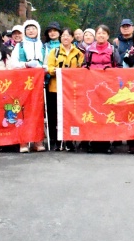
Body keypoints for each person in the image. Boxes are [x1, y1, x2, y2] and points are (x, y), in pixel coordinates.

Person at [83, 25, 121, 154]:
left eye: (104, 33)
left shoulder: (112, 49)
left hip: (107, 86)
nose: (101, 35)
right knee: (93, 113)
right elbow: (84, 65)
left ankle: (106, 143)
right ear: (95, 35)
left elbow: (119, 67)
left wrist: (110, 71)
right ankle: (93, 142)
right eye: (99, 33)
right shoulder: (89, 50)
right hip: (92, 86)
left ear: (108, 36)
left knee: (106, 112)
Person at [11, 20, 46, 153]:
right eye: (28, 29)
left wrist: (43, 67)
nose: (31, 31)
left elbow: (47, 61)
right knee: (21, 110)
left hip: (38, 83)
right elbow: (13, 63)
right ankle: (23, 141)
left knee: (38, 111)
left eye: (33, 28)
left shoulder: (42, 46)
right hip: (22, 83)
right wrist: (25, 64)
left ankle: (38, 140)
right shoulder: (19, 46)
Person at [47, 27, 84, 151]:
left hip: (71, 89)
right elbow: (49, 68)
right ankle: (55, 141)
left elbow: (81, 71)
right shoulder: (54, 51)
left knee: (70, 114)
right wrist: (59, 71)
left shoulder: (79, 53)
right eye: (63, 35)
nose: (65, 37)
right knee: (54, 116)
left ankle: (69, 139)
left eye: (68, 35)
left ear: (73, 38)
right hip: (55, 88)